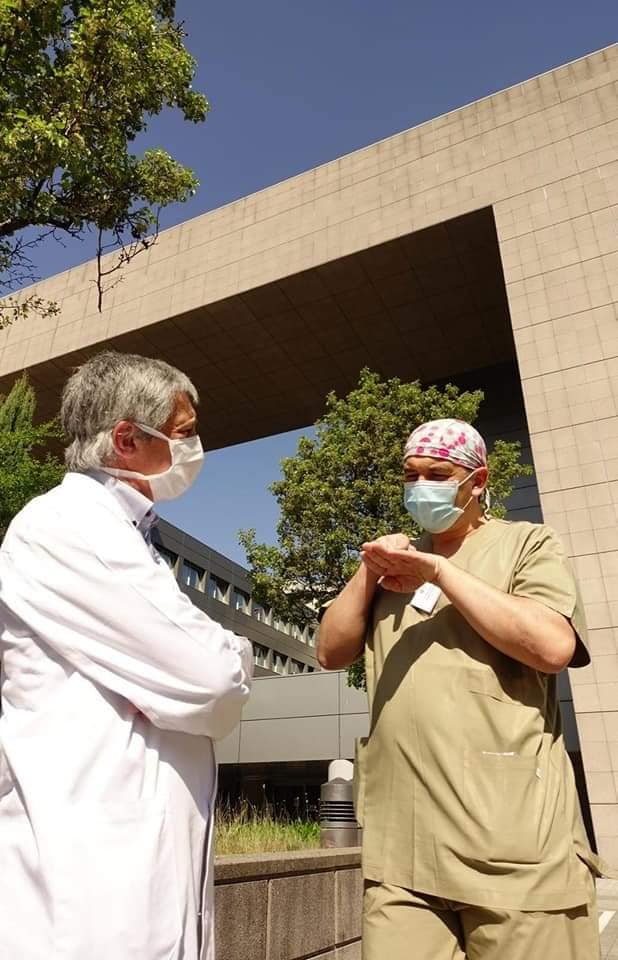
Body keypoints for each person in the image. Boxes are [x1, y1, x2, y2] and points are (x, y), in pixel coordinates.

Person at [318, 418, 611, 960]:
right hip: (402, 854)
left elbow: (553, 646)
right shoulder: (394, 566)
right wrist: (368, 571)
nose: (420, 487)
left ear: (477, 482)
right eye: (410, 475)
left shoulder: (527, 543)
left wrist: (440, 573)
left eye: (437, 475)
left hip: (513, 846)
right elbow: (329, 652)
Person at [0, 351, 253, 960]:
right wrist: (232, 657)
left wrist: (202, 668)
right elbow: (214, 681)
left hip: (130, 866)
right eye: (183, 433)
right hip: (92, 876)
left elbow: (196, 673)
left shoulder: (128, 537)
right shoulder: (70, 525)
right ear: (126, 439)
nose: (193, 449)